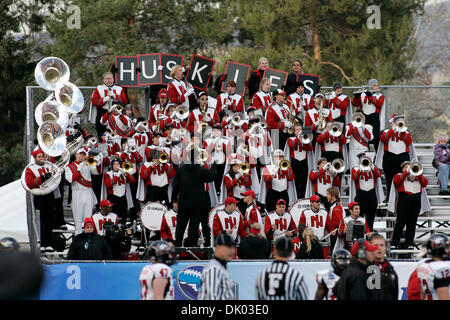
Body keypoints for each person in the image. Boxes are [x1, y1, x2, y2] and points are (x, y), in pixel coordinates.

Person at [171, 150, 216, 247]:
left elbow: (175, 185)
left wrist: (173, 199)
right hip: (197, 204)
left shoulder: (181, 170)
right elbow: (212, 177)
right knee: (193, 226)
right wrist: (213, 165)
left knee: (181, 225)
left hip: (183, 203)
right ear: (197, 158)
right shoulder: (201, 170)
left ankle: (178, 244)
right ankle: (191, 246)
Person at [390, 161, 428, 249]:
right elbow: (396, 182)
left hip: (416, 199)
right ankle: (394, 243)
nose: (409, 168)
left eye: (409, 166)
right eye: (406, 167)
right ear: (403, 169)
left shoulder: (417, 175)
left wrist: (418, 174)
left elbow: (425, 183)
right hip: (404, 199)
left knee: (412, 222)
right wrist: (406, 172)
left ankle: (410, 243)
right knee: (400, 222)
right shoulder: (399, 175)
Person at [24, 149, 57, 250]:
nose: (41, 158)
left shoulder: (49, 166)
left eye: (42, 156)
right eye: (39, 157)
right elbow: (29, 183)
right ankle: (42, 243)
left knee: (49, 220)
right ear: (35, 158)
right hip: (39, 195)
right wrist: (41, 178)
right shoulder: (31, 169)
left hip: (49, 194)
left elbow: (57, 177)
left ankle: (49, 243)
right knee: (41, 220)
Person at [65, 148, 101, 235]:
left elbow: (97, 172)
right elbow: (71, 180)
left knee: (88, 219)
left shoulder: (88, 164)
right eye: (80, 154)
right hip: (77, 193)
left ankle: (88, 239)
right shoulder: (69, 167)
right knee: (77, 220)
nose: (82, 156)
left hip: (88, 192)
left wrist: (98, 163)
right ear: (76, 155)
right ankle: (78, 239)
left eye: (84, 154)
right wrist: (79, 168)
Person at [198, 234, 237, 300]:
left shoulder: (219, 266)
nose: (232, 251)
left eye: (233, 247)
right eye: (228, 247)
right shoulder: (214, 269)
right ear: (218, 247)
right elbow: (211, 297)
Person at [90, 72, 128, 139]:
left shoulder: (119, 89)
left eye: (110, 79)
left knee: (116, 135)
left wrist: (116, 97)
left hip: (115, 114)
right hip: (103, 112)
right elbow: (94, 101)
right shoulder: (99, 88)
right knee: (102, 135)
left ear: (113, 79)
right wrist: (104, 99)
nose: (108, 81)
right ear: (104, 80)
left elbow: (125, 100)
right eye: (107, 79)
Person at [351, 152, 382, 230]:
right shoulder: (355, 168)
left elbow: (378, 175)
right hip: (360, 194)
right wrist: (361, 168)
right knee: (359, 218)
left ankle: (369, 234)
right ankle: (359, 236)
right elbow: (355, 178)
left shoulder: (373, 168)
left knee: (371, 218)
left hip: (371, 193)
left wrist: (371, 166)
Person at [352, 79, 385, 150]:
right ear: (370, 86)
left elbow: (379, 104)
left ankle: (377, 154)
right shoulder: (363, 94)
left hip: (374, 117)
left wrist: (370, 96)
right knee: (365, 135)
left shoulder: (380, 96)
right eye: (374, 86)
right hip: (365, 117)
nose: (376, 87)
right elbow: (355, 104)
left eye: (377, 86)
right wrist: (356, 97)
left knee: (376, 137)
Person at [416, 233, 450, 300]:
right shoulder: (441, 268)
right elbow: (443, 296)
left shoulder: (423, 264)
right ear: (440, 249)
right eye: (447, 248)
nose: (449, 250)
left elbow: (422, 294)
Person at [104, 158, 136, 225]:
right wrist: (118, 175)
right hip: (113, 198)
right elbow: (108, 185)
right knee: (114, 217)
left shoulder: (123, 173)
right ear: (112, 165)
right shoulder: (108, 174)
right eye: (114, 164)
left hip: (123, 198)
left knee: (123, 216)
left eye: (118, 164)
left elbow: (133, 180)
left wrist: (126, 174)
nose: (116, 166)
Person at [369, 234, 399, 300]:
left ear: (386, 247)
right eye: (375, 245)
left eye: (381, 245)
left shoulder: (391, 270)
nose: (379, 248)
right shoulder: (364, 269)